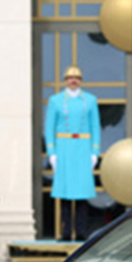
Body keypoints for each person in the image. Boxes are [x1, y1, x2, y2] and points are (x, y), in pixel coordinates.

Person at [44, 65, 101, 241]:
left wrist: (95, 150)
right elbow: (49, 128)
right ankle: (66, 231)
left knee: (82, 193)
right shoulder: (56, 101)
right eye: (70, 78)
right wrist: (52, 151)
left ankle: (81, 231)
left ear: (80, 80)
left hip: (83, 146)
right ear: (65, 80)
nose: (73, 81)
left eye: (76, 78)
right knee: (66, 193)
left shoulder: (90, 100)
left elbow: (95, 126)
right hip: (64, 146)